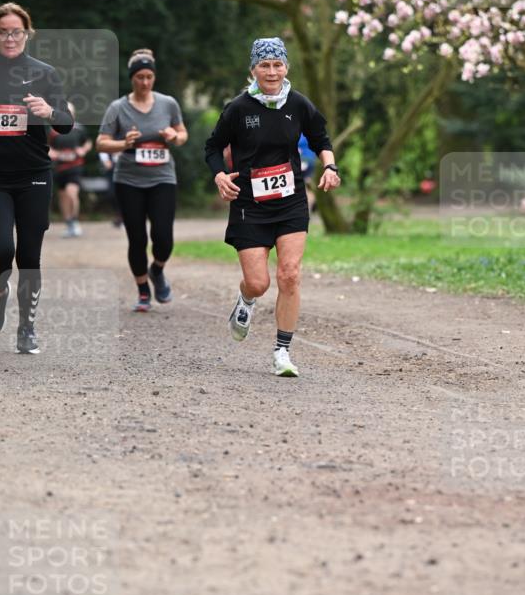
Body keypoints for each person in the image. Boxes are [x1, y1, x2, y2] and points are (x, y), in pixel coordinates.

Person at [205, 37, 341, 377]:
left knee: (290, 274)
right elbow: (212, 146)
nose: (271, 71)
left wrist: (330, 166)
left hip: (291, 200)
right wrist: (220, 175)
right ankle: (246, 300)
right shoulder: (238, 108)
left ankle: (282, 351)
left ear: (286, 68)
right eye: (264, 65)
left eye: (277, 64)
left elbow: (321, 138)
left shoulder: (298, 104)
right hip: (249, 202)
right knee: (258, 282)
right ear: (253, 69)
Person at [0, 2, 73, 353]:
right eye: (3, 32)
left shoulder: (44, 73)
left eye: (16, 32)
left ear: (27, 34)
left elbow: (66, 123)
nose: (10, 38)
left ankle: (27, 328)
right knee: (0, 248)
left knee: (29, 256)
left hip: (34, 175)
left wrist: (49, 110)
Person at [96, 49, 187, 311]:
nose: (145, 82)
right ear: (131, 78)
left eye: (149, 77)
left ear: (154, 77)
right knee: (137, 239)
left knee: (163, 237)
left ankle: (157, 270)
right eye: (139, 77)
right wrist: (123, 143)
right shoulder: (118, 108)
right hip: (129, 180)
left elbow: (183, 134)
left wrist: (173, 136)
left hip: (162, 178)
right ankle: (143, 289)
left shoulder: (168, 103)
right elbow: (100, 143)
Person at [48, 103, 92, 237]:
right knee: (63, 197)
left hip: (75, 166)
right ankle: (68, 223)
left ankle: (74, 221)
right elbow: (47, 146)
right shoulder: (53, 131)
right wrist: (52, 152)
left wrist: (83, 150)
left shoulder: (79, 128)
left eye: (70, 112)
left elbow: (88, 142)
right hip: (59, 168)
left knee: (71, 193)